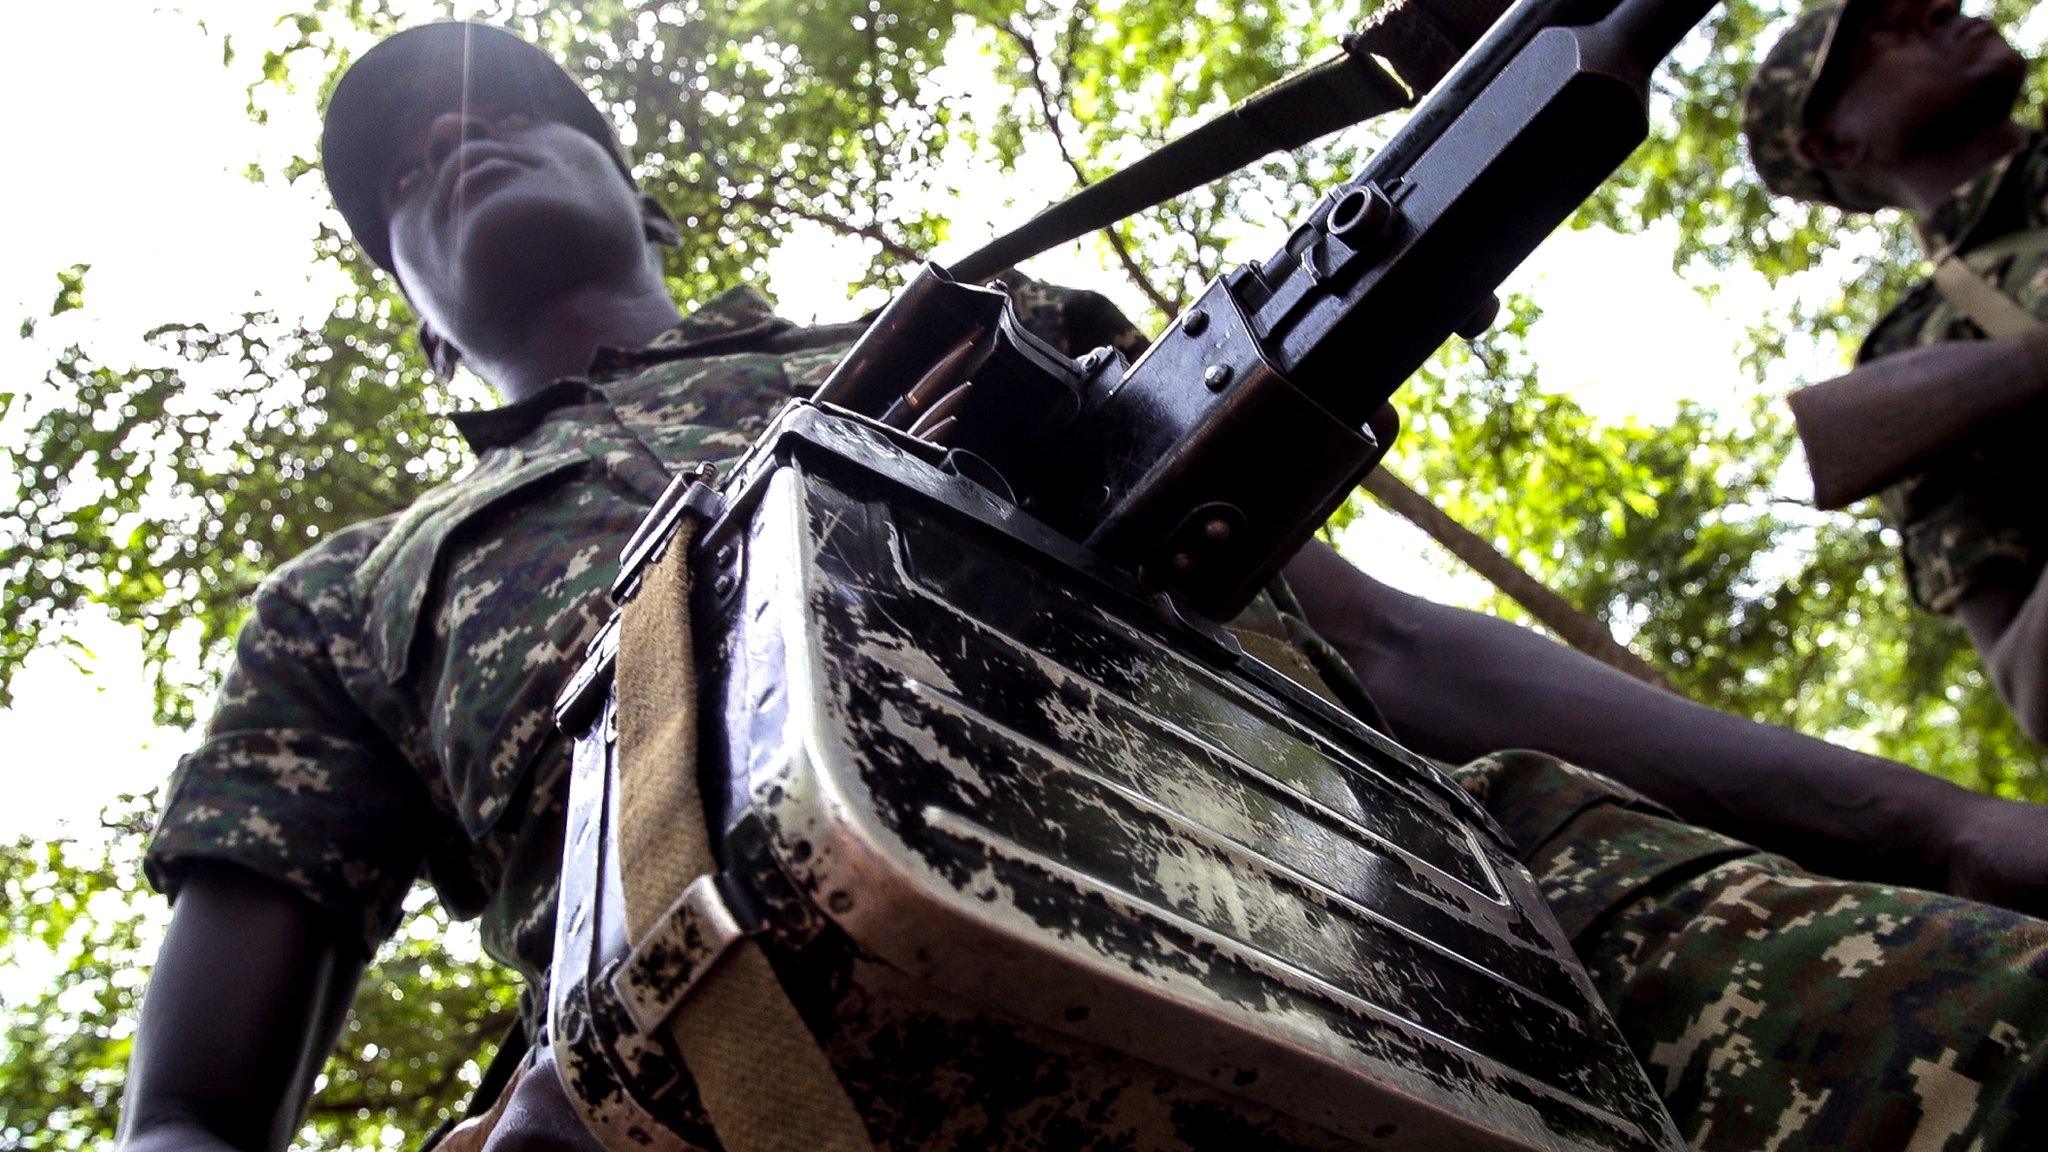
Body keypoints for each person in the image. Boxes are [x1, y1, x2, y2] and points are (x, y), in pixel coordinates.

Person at [120, 20, 2046, 1152]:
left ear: (637, 187)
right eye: (400, 178)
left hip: (1481, 901)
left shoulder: (1005, 329)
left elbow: (1379, 640)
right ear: (408, 305)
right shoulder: (347, 600)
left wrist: (1939, 821)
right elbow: (194, 1117)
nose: (455, 136)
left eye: (508, 104)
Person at [1745, 0, 2048, 741]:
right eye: (1889, 27)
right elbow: (2034, 689)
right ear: (1834, 144)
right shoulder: (1922, 354)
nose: (1941, 8)